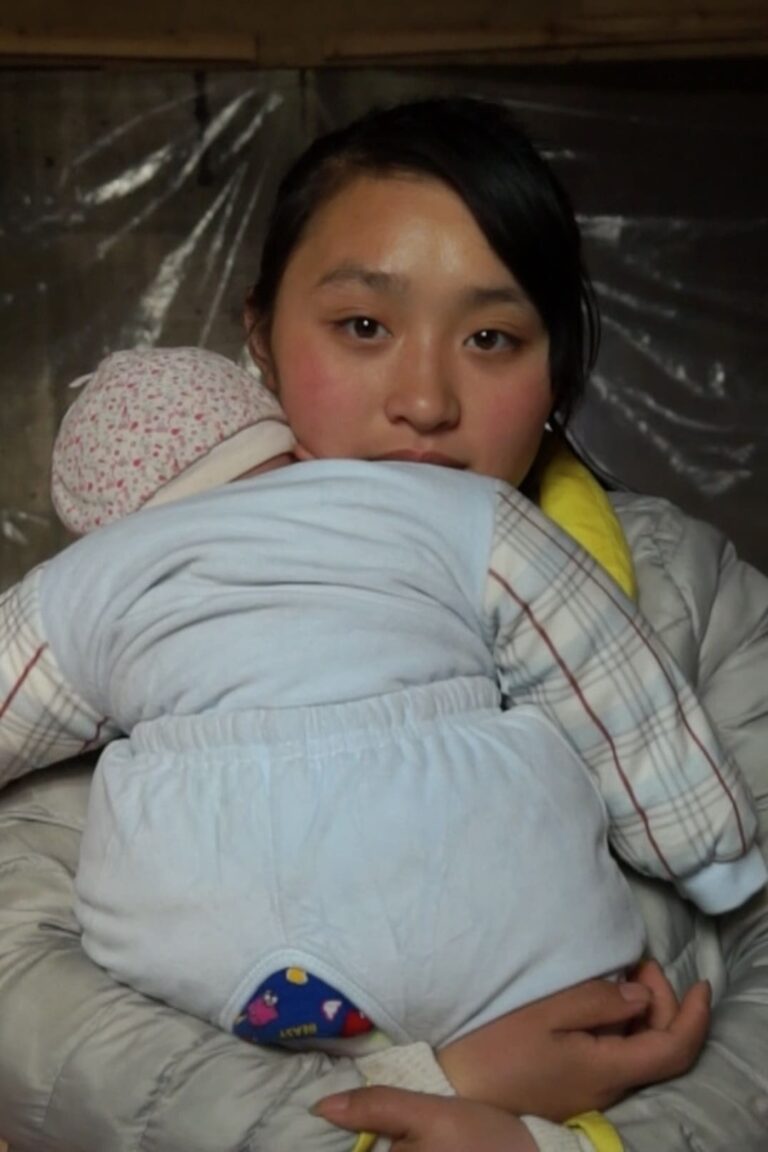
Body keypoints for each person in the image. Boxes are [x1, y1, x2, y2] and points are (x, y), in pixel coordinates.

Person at [0, 96, 765, 1152]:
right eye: (364, 326)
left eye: (492, 337)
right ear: (262, 339)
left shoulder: (691, 592)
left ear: (556, 369)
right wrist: (426, 1094)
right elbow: (29, 997)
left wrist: (573, 1148)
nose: (426, 400)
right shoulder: (138, 607)